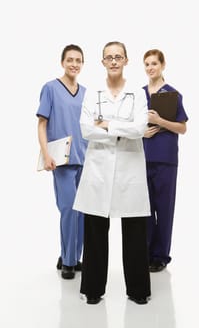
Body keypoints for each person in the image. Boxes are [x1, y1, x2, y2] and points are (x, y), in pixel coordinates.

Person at [73, 41, 151, 305]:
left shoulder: (137, 94)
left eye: (119, 57)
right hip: (99, 169)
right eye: (109, 57)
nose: (114, 61)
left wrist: (106, 124)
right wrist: (120, 128)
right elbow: (86, 129)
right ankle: (93, 290)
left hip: (130, 169)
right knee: (95, 231)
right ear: (103, 62)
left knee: (135, 231)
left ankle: (138, 291)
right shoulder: (92, 92)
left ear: (126, 60)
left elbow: (140, 128)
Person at [36, 44, 87, 279]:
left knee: (83, 212)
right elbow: (42, 124)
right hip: (61, 160)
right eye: (70, 60)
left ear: (82, 64)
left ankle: (74, 257)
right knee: (68, 209)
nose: (74, 64)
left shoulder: (85, 92)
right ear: (62, 62)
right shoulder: (50, 88)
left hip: (84, 157)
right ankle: (67, 261)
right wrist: (46, 154)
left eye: (78, 60)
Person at [142, 49, 188, 272]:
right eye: (147, 64)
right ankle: (147, 252)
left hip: (166, 160)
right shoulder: (138, 95)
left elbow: (182, 127)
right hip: (141, 159)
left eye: (154, 64)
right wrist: (142, 131)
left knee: (165, 208)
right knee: (146, 209)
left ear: (162, 65)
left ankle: (161, 256)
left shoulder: (172, 95)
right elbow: (130, 126)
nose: (151, 68)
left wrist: (160, 121)